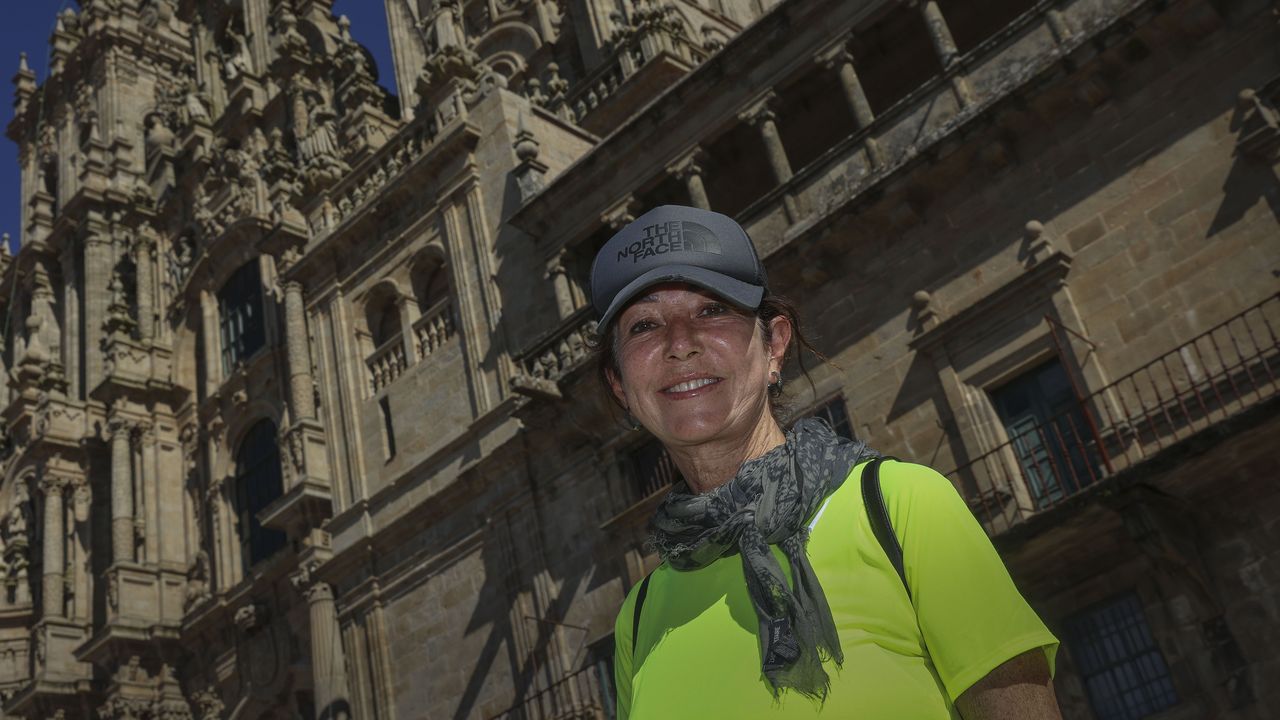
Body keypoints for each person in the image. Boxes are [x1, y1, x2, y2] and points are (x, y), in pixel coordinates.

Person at [591, 205, 1062, 719]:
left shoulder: (902, 506)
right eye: (644, 325)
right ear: (621, 387)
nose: (680, 344)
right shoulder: (637, 620)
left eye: (712, 311)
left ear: (774, 345)